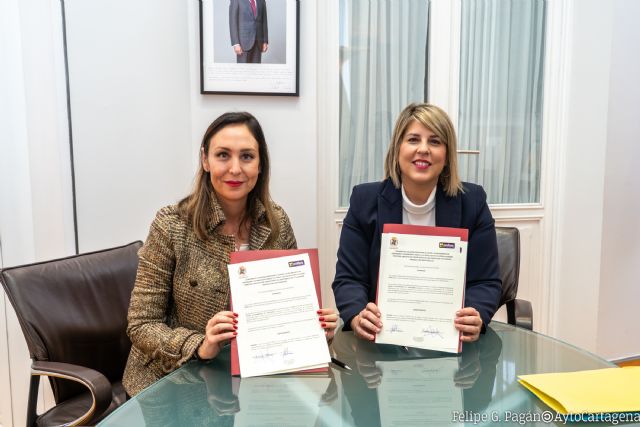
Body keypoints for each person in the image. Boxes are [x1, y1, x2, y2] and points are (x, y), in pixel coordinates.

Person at [123, 112, 337, 396]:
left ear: (260, 164)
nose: (235, 168)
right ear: (205, 160)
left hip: (251, 383)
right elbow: (142, 325)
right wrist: (200, 344)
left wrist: (314, 329)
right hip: (171, 383)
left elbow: (285, 311)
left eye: (247, 156)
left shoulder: (277, 223)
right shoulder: (171, 225)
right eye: (223, 155)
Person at [332, 103, 501, 344]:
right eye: (413, 139)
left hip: (449, 342)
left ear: (447, 154)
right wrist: (358, 315)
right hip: (381, 343)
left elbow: (485, 281)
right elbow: (349, 279)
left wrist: (476, 314)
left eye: (435, 141)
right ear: (397, 149)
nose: (423, 149)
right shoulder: (364, 201)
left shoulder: (472, 202)